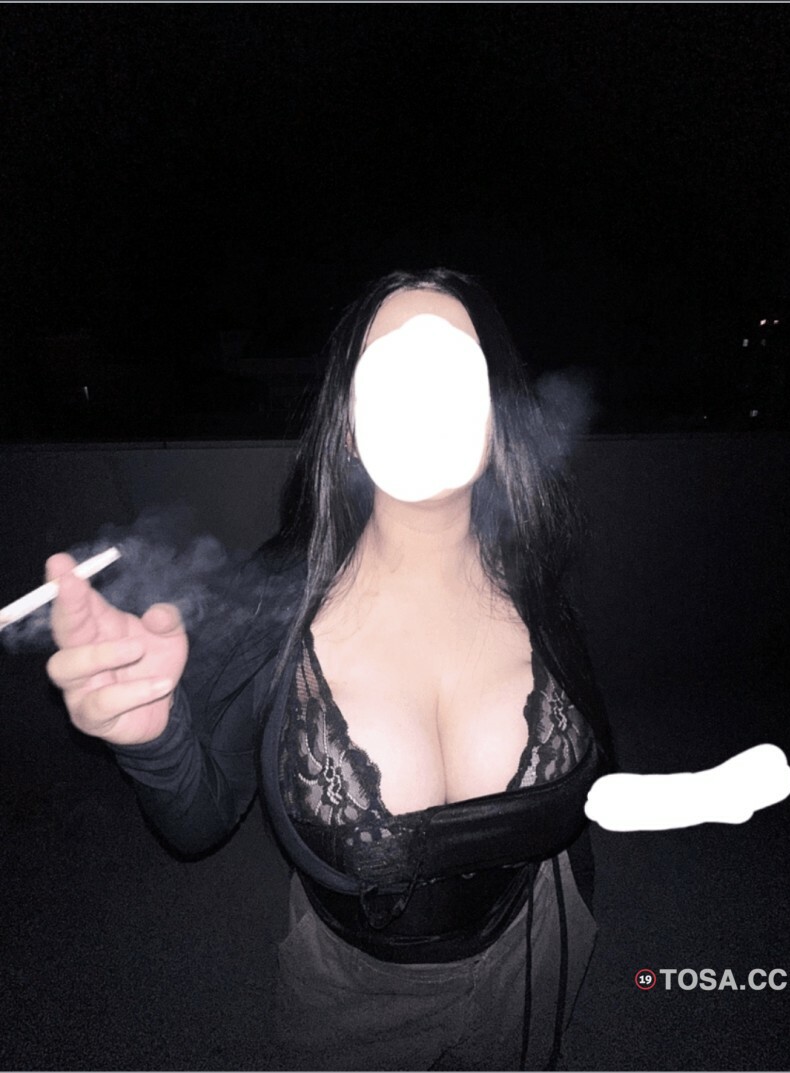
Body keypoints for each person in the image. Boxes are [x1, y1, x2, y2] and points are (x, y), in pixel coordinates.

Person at [45, 268, 614, 1071]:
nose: (424, 396)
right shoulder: (276, 610)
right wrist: (151, 737)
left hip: (536, 958)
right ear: (347, 426)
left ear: (497, 418)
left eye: (453, 369)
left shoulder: (538, 584)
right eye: (392, 372)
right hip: (354, 1001)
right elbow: (198, 824)